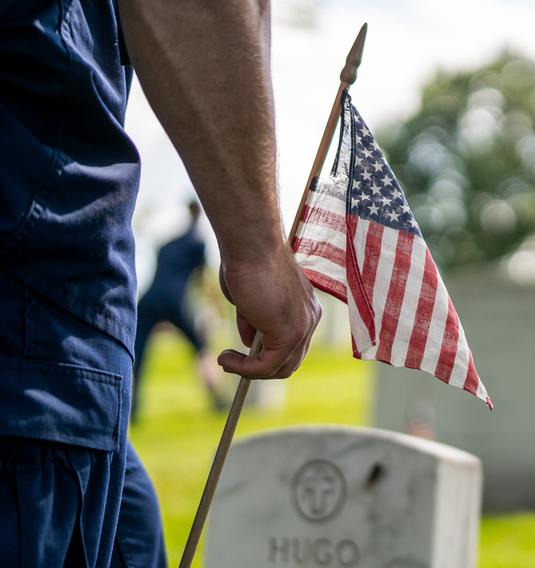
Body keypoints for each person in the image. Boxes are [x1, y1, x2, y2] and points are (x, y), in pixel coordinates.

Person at [0, 0, 321, 566]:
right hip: (33, 311)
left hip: (101, 310)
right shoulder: (192, 242)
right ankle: (208, 392)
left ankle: (178, 395)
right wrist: (258, 252)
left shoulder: (177, 238)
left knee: (134, 527)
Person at [133, 201, 227, 422]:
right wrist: (216, 305)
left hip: (149, 299)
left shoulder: (169, 242)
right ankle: (217, 399)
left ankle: (132, 409)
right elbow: (202, 278)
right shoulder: (197, 242)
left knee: (139, 355)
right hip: (175, 301)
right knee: (201, 349)